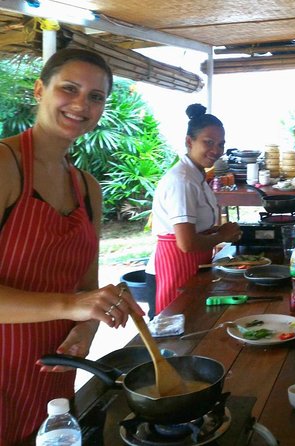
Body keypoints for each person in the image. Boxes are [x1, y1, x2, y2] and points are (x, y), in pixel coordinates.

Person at [0, 48, 145, 444]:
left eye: (96, 97)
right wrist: (71, 306)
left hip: (54, 370)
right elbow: (74, 298)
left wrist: (85, 326)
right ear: (39, 90)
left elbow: (86, 283)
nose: (82, 104)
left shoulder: (86, 187)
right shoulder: (4, 165)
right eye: (69, 88)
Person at [148, 104, 241, 314]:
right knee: (179, 326)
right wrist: (222, 235)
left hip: (193, 264)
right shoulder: (182, 181)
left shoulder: (196, 175)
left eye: (220, 144)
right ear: (189, 142)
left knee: (194, 319)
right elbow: (187, 243)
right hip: (175, 267)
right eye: (208, 142)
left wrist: (220, 232)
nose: (216, 150)